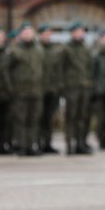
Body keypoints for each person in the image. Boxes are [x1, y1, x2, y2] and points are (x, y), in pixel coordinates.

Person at [7, 22, 45, 157]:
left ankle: (31, 145)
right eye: (25, 32)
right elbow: (6, 70)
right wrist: (11, 87)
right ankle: (22, 146)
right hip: (20, 91)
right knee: (20, 120)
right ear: (21, 34)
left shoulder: (39, 49)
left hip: (36, 91)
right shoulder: (15, 50)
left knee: (34, 119)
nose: (28, 34)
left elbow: (43, 69)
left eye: (30, 32)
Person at [61, 22, 94, 155]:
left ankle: (80, 143)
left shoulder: (85, 48)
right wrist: (62, 86)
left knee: (82, 117)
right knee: (71, 117)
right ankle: (69, 145)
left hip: (84, 86)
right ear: (72, 32)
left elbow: (89, 67)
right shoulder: (66, 49)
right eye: (78, 31)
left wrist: (90, 83)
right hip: (71, 87)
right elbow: (61, 69)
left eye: (82, 31)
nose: (81, 33)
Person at [38, 24, 63, 154]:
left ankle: (47, 143)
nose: (47, 36)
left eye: (49, 34)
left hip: (52, 89)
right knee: (38, 118)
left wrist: (59, 86)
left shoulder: (55, 50)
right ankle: (37, 143)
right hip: (39, 89)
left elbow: (59, 70)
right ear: (40, 35)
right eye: (45, 34)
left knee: (49, 118)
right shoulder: (36, 49)